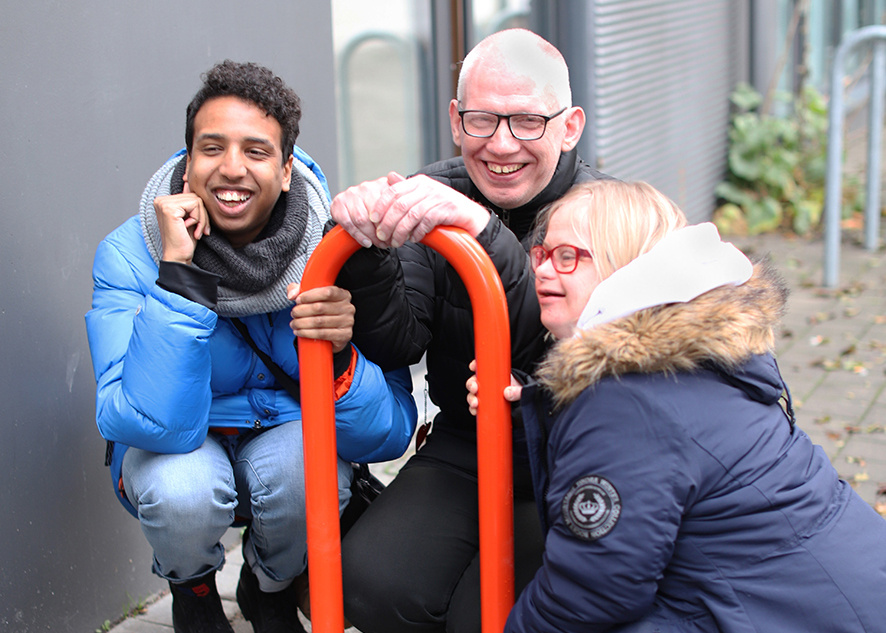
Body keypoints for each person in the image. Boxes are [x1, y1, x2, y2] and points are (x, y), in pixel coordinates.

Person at [85, 60, 416, 633]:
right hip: (182, 441)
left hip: (286, 437)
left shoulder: (336, 251)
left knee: (308, 470)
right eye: (212, 148)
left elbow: (385, 435)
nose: (231, 169)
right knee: (181, 491)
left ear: (287, 170)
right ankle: (190, 587)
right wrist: (177, 275)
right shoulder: (130, 253)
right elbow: (141, 422)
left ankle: (269, 585)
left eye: (256, 151)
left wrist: (337, 356)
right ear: (188, 162)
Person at [467, 180, 886, 632]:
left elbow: (590, 593)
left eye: (567, 257)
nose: (545, 271)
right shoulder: (688, 355)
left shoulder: (623, 401)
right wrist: (523, 415)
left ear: (621, 266)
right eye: (542, 254)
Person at [331, 28, 608, 633]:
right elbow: (397, 342)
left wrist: (486, 235)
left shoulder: (607, 214)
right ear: (456, 121)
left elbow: (559, 346)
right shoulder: (433, 192)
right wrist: (367, 253)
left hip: (571, 455)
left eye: (528, 121)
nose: (502, 144)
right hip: (467, 441)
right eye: (482, 120)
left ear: (570, 126)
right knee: (373, 583)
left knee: (487, 615)